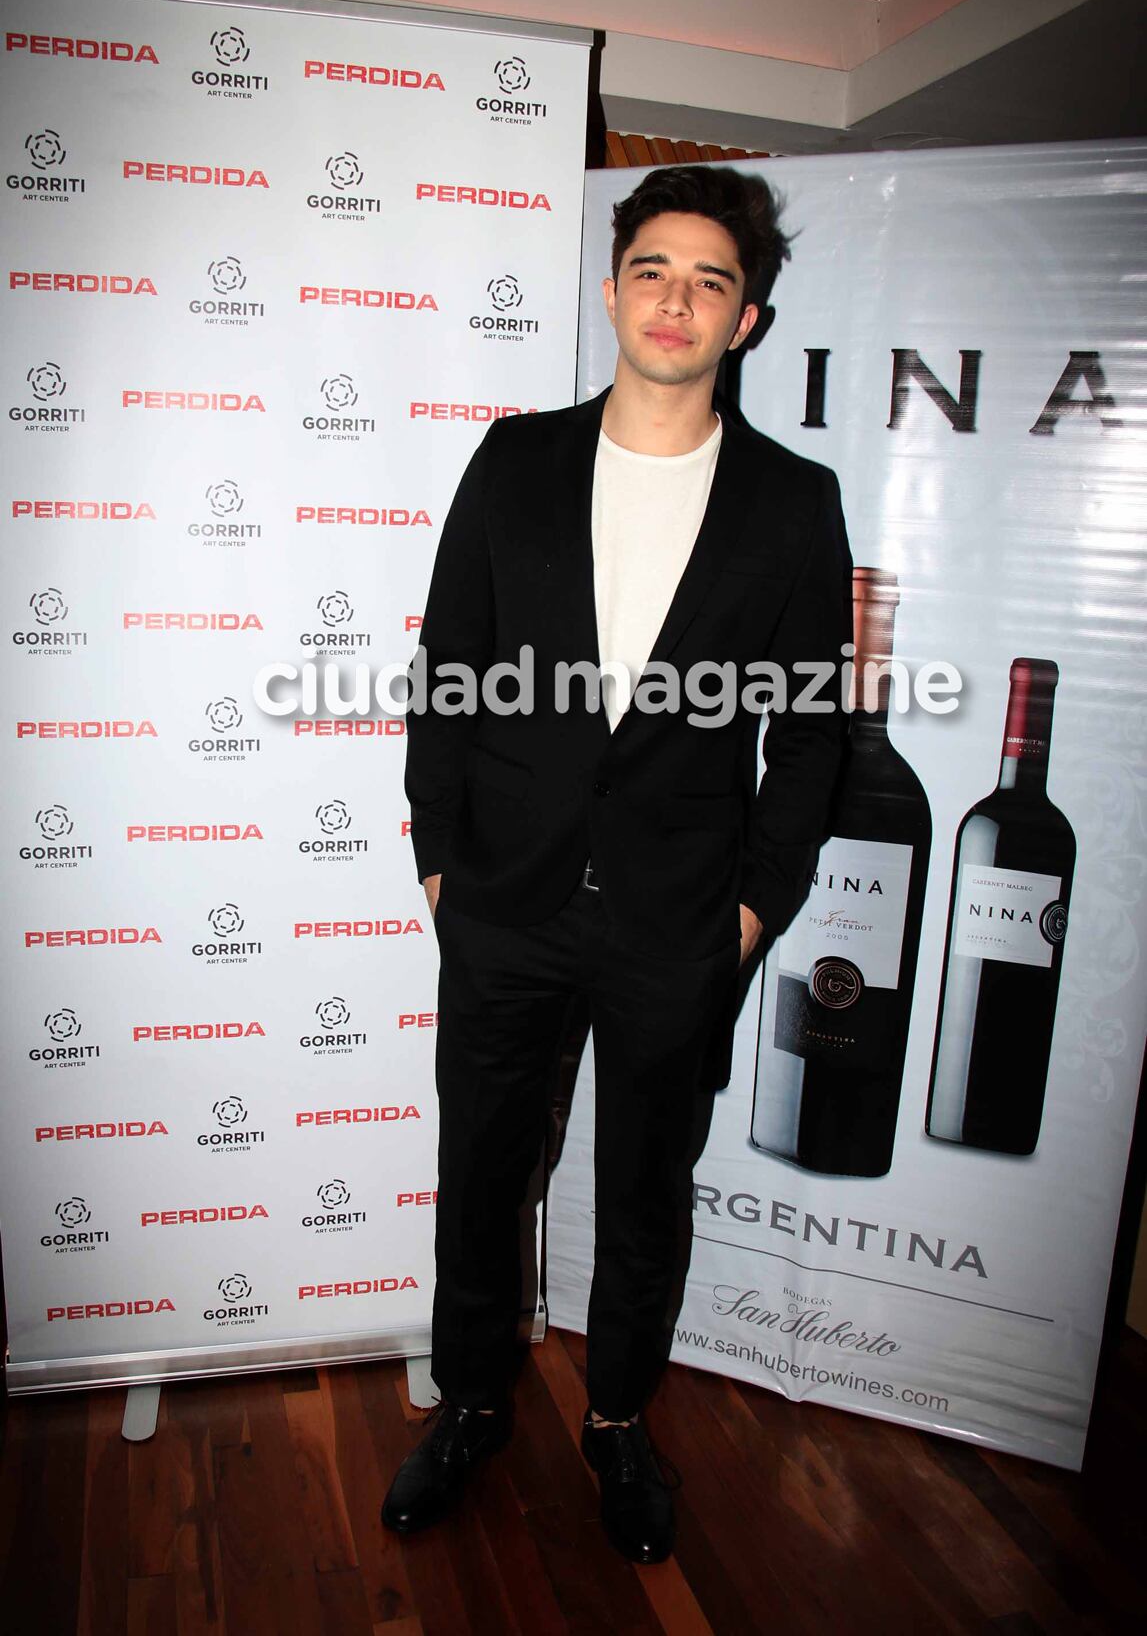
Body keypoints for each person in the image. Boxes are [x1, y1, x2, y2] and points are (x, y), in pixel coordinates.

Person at [382, 164, 852, 1563]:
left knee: (648, 1191)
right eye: (654, 269)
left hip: (678, 925)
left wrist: (756, 907)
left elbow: (811, 734)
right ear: (612, 290)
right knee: (482, 1176)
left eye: (710, 280)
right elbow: (447, 672)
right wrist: (440, 866)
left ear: (745, 321)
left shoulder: (792, 503)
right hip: (505, 906)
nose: (677, 299)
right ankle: (471, 1403)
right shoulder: (515, 459)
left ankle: (620, 1424)